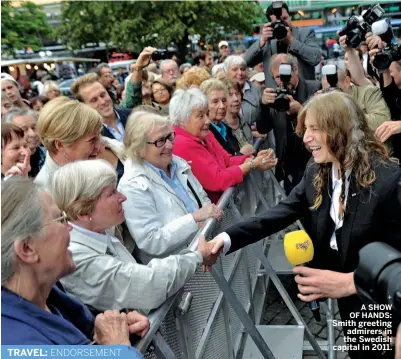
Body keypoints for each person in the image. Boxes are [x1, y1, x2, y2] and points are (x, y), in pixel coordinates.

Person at [212, 91, 401, 359]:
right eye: (305, 129)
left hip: (384, 304)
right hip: (346, 300)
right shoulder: (317, 170)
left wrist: (352, 283)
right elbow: (279, 213)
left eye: (314, 129)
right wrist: (224, 239)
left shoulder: (389, 181)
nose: (306, 137)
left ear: (340, 129)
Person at [52, 159, 224, 312]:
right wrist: (197, 256)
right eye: (111, 193)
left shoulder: (100, 231)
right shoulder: (76, 256)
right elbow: (148, 285)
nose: (123, 197)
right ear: (83, 211)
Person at [1, 177, 148, 352]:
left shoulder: (49, 296)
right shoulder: (18, 343)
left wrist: (107, 332)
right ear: (27, 248)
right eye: (60, 220)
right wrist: (119, 348)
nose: (69, 227)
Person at [118, 111, 223, 264]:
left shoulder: (177, 162)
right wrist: (194, 219)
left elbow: (202, 198)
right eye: (160, 141)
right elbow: (150, 241)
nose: (169, 145)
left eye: (170, 136)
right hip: (180, 272)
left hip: (207, 252)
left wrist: (207, 219)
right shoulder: (132, 185)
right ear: (139, 147)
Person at [170, 88, 277, 203]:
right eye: (200, 116)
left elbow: (227, 160)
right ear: (182, 121)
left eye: (206, 114)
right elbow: (217, 180)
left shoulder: (205, 133)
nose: (207, 121)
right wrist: (252, 164)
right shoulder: (182, 143)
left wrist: (254, 159)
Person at [260, 53, 320, 194]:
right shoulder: (274, 96)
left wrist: (301, 111)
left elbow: (326, 123)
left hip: (315, 162)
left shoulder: (315, 89)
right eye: (278, 77)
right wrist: (263, 106)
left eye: (286, 75)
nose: (283, 81)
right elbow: (263, 128)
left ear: (296, 70)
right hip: (289, 168)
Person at [244, 1, 320, 88]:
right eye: (277, 22)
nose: (283, 23)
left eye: (285, 18)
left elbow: (315, 58)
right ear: (270, 24)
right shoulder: (267, 41)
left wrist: (291, 41)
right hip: (275, 96)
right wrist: (261, 41)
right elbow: (246, 62)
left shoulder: (305, 34)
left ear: (289, 17)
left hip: (303, 95)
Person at [34, 97, 103, 190]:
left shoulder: (87, 166)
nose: (100, 145)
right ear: (60, 145)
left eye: (99, 136)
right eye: (92, 140)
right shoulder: (46, 192)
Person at [71, 73, 131, 142]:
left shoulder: (132, 115)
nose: (102, 102)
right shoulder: (89, 139)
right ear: (84, 106)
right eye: (94, 100)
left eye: (103, 95)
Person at [201, 78, 252, 156]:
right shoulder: (204, 132)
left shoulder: (225, 128)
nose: (222, 106)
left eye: (224, 100)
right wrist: (242, 154)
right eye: (215, 101)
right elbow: (221, 165)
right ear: (204, 104)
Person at [4, 109, 46, 178]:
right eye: (24, 130)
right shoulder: (6, 164)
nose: (32, 134)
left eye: (34, 127)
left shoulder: (51, 155)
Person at [221, 78, 255, 153]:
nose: (236, 99)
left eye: (237, 94)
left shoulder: (243, 120)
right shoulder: (220, 128)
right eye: (230, 95)